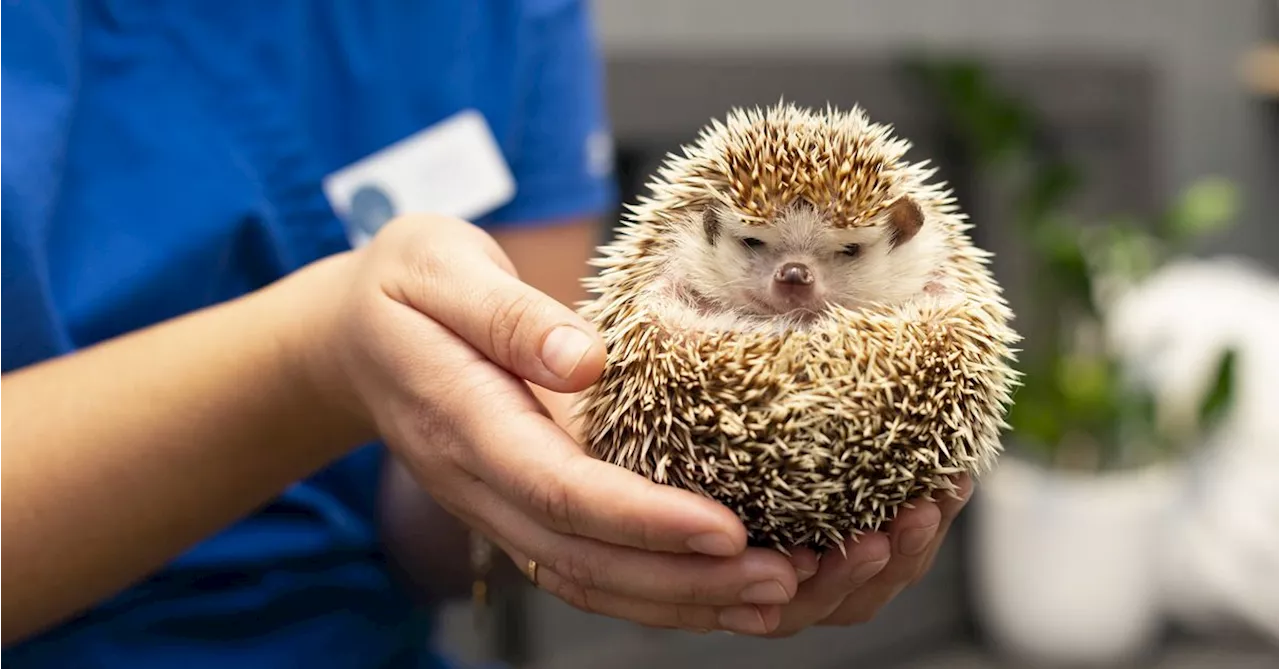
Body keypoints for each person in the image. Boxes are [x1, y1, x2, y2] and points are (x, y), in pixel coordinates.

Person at [0, 1, 971, 666]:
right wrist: (317, 360)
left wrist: (535, 491)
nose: (794, 281)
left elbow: (432, 524)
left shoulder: (508, 15)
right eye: (759, 249)